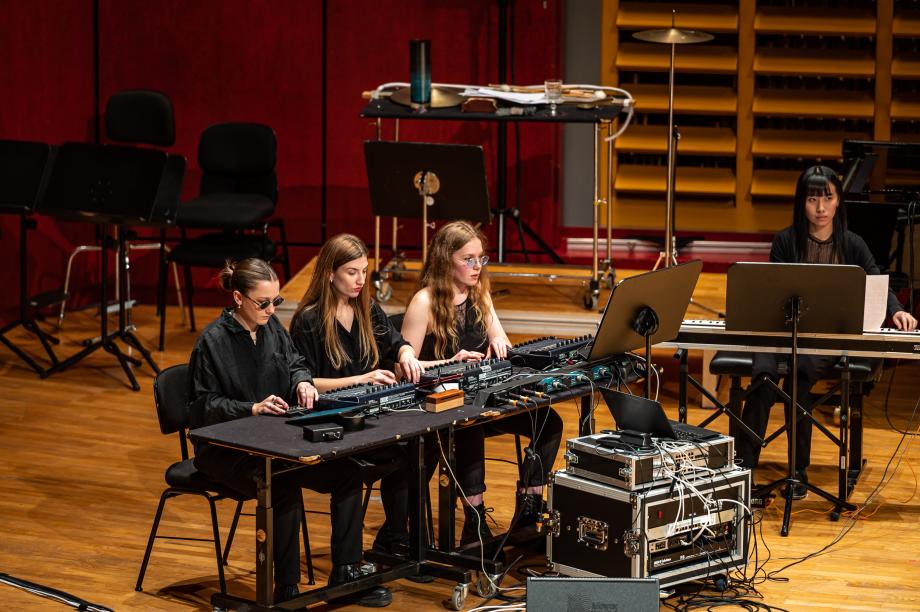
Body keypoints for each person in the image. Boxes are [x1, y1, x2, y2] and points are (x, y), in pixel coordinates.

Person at [188, 257, 391, 608]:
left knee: (347, 471)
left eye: (275, 302)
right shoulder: (213, 341)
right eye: (263, 303)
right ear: (238, 298)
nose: (271, 309)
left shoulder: (271, 329)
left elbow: (296, 363)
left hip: (276, 440)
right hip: (226, 450)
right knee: (281, 484)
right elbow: (204, 407)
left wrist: (302, 384)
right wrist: (250, 408)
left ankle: (346, 568)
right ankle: (285, 590)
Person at [737, 166, 918, 498]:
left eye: (827, 199)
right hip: (780, 331)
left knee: (800, 375)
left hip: (826, 336)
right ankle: (743, 472)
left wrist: (897, 311)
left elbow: (875, 282)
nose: (820, 208)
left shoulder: (852, 244)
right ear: (801, 203)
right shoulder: (785, 241)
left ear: (838, 203)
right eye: (812, 199)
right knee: (763, 376)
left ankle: (798, 472)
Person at [401, 221, 564, 545]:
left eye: (481, 259)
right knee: (469, 425)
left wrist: (501, 344)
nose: (477, 267)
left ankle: (529, 505)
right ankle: (473, 523)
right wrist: (452, 362)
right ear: (447, 260)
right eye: (469, 259)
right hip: (443, 406)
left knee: (548, 420)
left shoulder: (478, 293)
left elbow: (499, 336)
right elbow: (405, 368)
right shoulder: (424, 302)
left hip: (482, 395)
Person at [289, 234, 426, 559]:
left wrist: (406, 353)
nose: (360, 280)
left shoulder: (367, 309)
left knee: (417, 453)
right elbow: (304, 383)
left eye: (364, 271)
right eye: (352, 272)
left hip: (368, 419)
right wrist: (363, 378)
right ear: (329, 274)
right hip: (331, 423)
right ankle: (354, 561)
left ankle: (396, 540)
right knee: (358, 470)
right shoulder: (308, 321)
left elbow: (396, 342)